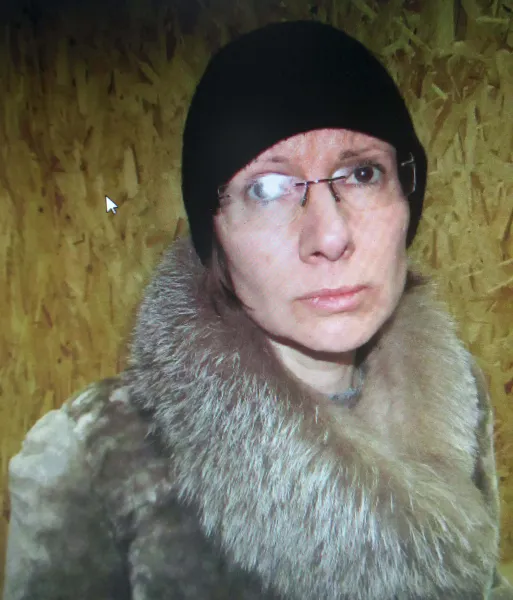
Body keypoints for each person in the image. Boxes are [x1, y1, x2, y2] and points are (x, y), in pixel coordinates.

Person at [3, 20, 513, 600]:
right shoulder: (94, 457)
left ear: (407, 197)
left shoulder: (457, 395)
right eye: (267, 188)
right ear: (214, 232)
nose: (330, 236)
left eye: (363, 173)